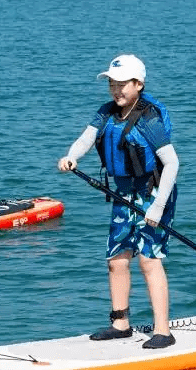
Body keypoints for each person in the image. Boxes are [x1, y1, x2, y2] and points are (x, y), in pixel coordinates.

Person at [58, 54, 180, 350]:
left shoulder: (149, 118)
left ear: (139, 84)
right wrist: (72, 155)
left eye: (123, 84)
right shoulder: (107, 112)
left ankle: (163, 330)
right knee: (116, 260)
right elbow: (86, 138)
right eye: (112, 83)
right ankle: (120, 324)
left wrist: (158, 206)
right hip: (123, 194)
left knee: (149, 261)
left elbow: (172, 164)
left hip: (153, 193)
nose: (116, 90)